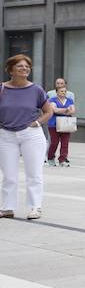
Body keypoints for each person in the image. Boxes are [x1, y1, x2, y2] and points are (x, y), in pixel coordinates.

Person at [0, 55, 54, 220]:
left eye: (27, 66)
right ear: (10, 70)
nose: (24, 69)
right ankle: (8, 208)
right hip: (5, 135)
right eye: (20, 66)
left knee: (34, 173)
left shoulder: (36, 89)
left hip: (31, 135)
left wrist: (37, 123)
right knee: (9, 175)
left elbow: (48, 112)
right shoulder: (2, 88)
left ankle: (35, 207)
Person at [45, 77, 76, 166]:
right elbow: (54, 110)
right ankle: (50, 158)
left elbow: (73, 110)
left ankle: (62, 160)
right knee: (54, 142)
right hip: (53, 124)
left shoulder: (69, 100)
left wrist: (62, 110)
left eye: (65, 91)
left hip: (66, 123)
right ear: (57, 92)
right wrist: (66, 110)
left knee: (65, 142)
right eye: (61, 91)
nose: (64, 93)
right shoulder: (52, 99)